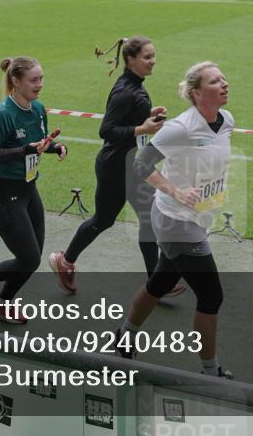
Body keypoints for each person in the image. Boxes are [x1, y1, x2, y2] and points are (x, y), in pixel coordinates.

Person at [116, 62, 234, 378]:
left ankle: (124, 336)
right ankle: (210, 372)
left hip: (197, 217)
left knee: (161, 282)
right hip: (176, 221)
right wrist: (176, 191)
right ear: (197, 93)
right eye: (214, 81)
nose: (224, 84)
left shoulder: (226, 121)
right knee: (211, 296)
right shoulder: (180, 128)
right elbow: (141, 165)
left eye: (223, 78)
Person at [48, 36, 184, 298]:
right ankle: (64, 261)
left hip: (130, 165)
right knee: (105, 219)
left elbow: (126, 120)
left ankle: (156, 281)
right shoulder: (126, 91)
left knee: (145, 218)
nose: (153, 61)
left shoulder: (134, 86)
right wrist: (142, 128)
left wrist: (146, 116)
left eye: (153, 56)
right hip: (115, 168)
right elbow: (107, 130)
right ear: (131, 59)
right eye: (147, 57)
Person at [0, 57, 67, 324]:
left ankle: (3, 304)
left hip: (29, 190)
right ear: (16, 81)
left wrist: (55, 147)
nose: (40, 84)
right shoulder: (2, 114)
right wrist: (24, 150)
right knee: (29, 258)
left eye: (41, 78)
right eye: (34, 80)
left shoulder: (38, 109)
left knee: (32, 258)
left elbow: (38, 143)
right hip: (4, 193)